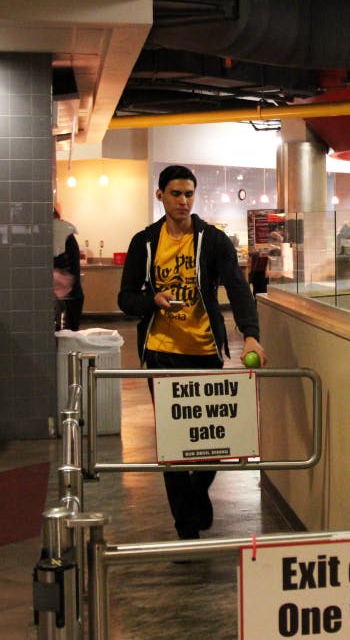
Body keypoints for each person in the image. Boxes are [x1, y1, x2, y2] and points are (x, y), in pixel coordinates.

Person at [118, 165, 267, 540]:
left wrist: (250, 335)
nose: (183, 201)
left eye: (188, 194)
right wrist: (152, 300)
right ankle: (186, 527)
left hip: (204, 351)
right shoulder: (145, 241)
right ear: (161, 197)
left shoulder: (213, 241)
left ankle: (197, 492)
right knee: (173, 441)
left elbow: (236, 287)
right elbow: (125, 297)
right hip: (161, 352)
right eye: (175, 194)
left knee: (211, 438)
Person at [53, 209, 84, 330]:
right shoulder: (67, 235)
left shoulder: (62, 235)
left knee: (66, 337)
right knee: (70, 335)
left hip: (67, 296)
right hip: (71, 295)